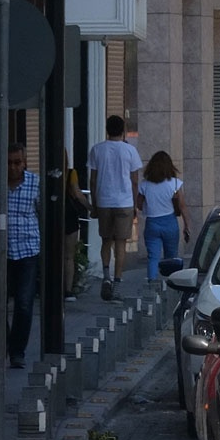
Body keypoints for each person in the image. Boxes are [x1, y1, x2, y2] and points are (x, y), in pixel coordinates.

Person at [0, 144, 41, 368]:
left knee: (24, 303)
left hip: (27, 250)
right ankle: (3, 345)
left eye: (17, 162)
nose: (13, 167)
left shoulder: (35, 183)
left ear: (24, 162)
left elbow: (41, 212)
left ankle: (17, 352)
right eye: (9, 163)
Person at [88, 114, 143, 301]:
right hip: (124, 202)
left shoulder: (97, 150)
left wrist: (94, 204)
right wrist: (135, 204)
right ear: (123, 130)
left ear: (107, 129)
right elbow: (135, 181)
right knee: (120, 244)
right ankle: (117, 283)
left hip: (104, 201)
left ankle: (106, 277)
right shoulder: (130, 152)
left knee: (106, 241)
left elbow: (93, 180)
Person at [137, 151, 187, 282]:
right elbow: (182, 206)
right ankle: (172, 285)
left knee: (153, 257)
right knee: (171, 257)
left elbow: (139, 205)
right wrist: (187, 226)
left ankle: (152, 283)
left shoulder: (145, 185)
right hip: (170, 222)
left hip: (152, 222)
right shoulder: (175, 183)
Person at [63, 153, 90, 302]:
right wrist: (90, 208)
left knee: (54, 255)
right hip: (69, 216)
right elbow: (77, 193)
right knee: (68, 256)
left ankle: (51, 287)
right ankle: (67, 290)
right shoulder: (71, 173)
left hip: (52, 216)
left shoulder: (45, 172)